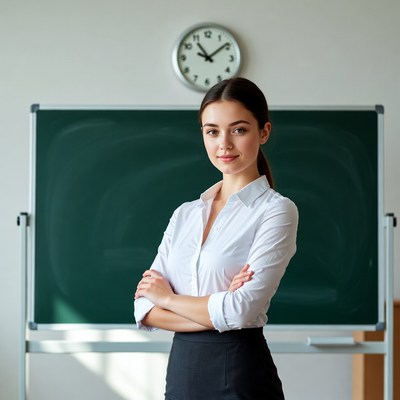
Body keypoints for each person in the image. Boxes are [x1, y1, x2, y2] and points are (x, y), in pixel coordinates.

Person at [134, 77, 298, 400]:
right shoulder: (185, 214)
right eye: (212, 131)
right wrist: (218, 308)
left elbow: (241, 312)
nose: (224, 144)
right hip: (183, 372)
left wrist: (168, 299)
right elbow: (143, 307)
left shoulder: (276, 211)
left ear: (263, 132)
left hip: (239, 372)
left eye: (238, 130)